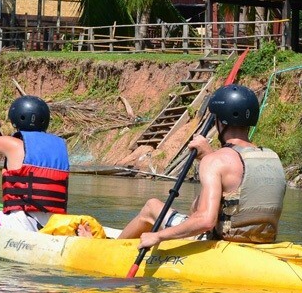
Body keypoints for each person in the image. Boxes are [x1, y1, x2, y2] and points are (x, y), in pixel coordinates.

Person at [118, 84, 286, 249]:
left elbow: (206, 221)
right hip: (263, 241)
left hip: (223, 242)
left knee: (152, 206)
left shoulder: (215, 161)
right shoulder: (272, 157)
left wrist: (158, 236)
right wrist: (208, 155)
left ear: (220, 121)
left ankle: (110, 248)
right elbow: (239, 186)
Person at [0, 95, 70, 232]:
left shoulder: (14, 144)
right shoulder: (58, 148)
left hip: (21, 227)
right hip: (54, 227)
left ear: (17, 119)